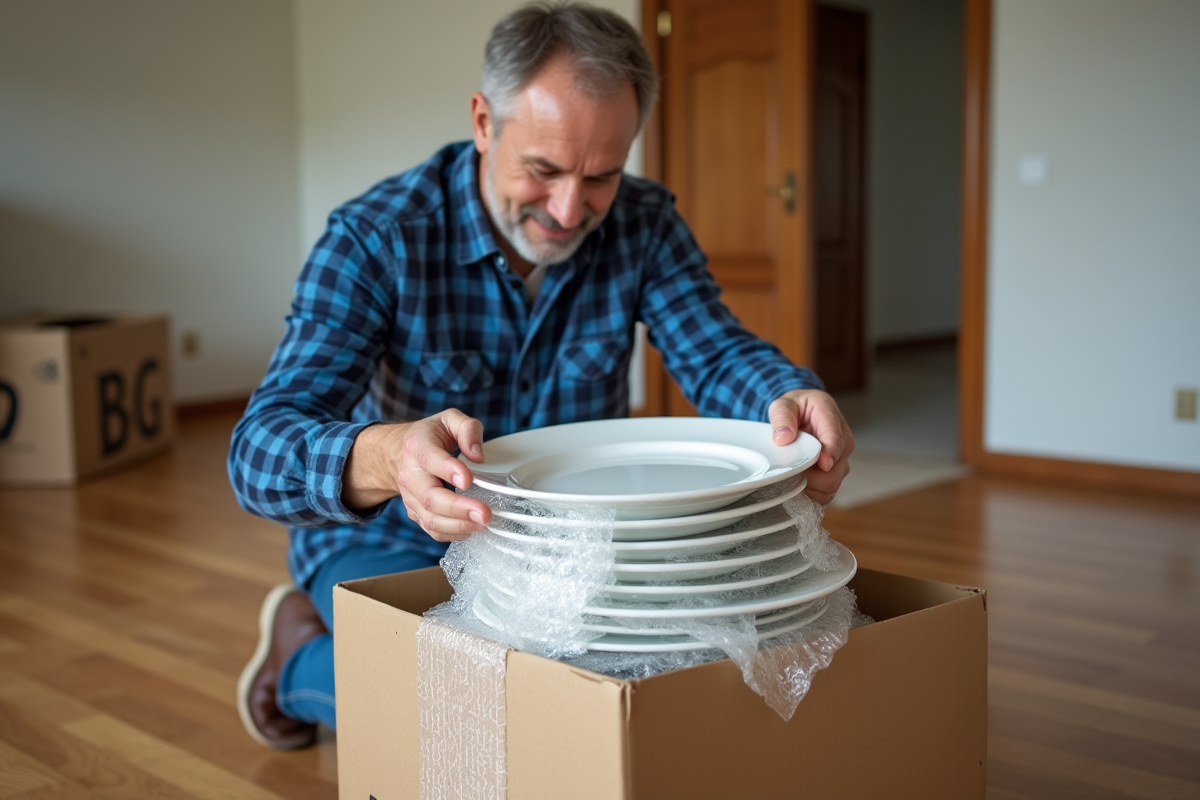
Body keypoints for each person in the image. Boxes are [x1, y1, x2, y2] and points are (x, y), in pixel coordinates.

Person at [228, 0, 854, 750]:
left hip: (575, 548)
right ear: (484, 123)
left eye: (601, 176)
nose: (567, 208)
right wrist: (393, 457)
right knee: (474, 705)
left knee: (621, 688)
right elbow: (258, 450)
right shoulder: (375, 237)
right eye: (543, 170)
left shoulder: (643, 223)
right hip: (397, 544)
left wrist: (784, 397)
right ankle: (295, 663)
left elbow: (717, 353)